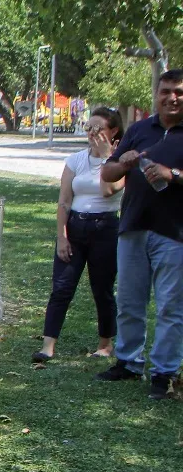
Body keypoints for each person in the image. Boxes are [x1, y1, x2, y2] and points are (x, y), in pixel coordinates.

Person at [98, 69, 183, 399]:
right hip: (133, 226)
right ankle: (129, 362)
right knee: (130, 301)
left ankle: (164, 372)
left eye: (178, 92)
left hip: (174, 233)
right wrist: (125, 163)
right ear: (157, 94)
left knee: (170, 307)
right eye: (165, 91)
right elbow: (108, 171)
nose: (171, 97)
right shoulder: (139, 129)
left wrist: (171, 174)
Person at [38, 108, 124, 363]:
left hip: (106, 227)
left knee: (102, 288)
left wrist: (108, 156)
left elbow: (108, 190)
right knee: (62, 287)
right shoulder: (75, 160)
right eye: (89, 128)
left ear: (113, 132)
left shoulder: (120, 164)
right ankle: (47, 345)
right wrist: (62, 236)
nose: (92, 134)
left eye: (98, 129)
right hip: (76, 226)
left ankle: (105, 344)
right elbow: (64, 200)